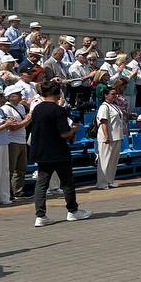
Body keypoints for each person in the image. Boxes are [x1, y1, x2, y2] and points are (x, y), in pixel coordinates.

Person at [31, 82, 90, 226]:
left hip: (41, 150)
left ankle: (40, 215)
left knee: (41, 184)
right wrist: (74, 129)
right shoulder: (58, 110)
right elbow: (64, 133)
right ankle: (73, 211)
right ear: (58, 94)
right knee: (67, 182)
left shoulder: (37, 108)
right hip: (58, 151)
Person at [95, 87, 125, 190]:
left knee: (113, 160)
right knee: (105, 160)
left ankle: (110, 180)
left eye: (115, 94)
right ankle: (102, 183)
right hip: (107, 137)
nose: (115, 96)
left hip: (116, 136)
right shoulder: (104, 107)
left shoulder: (113, 106)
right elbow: (104, 122)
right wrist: (107, 136)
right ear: (106, 95)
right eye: (112, 94)